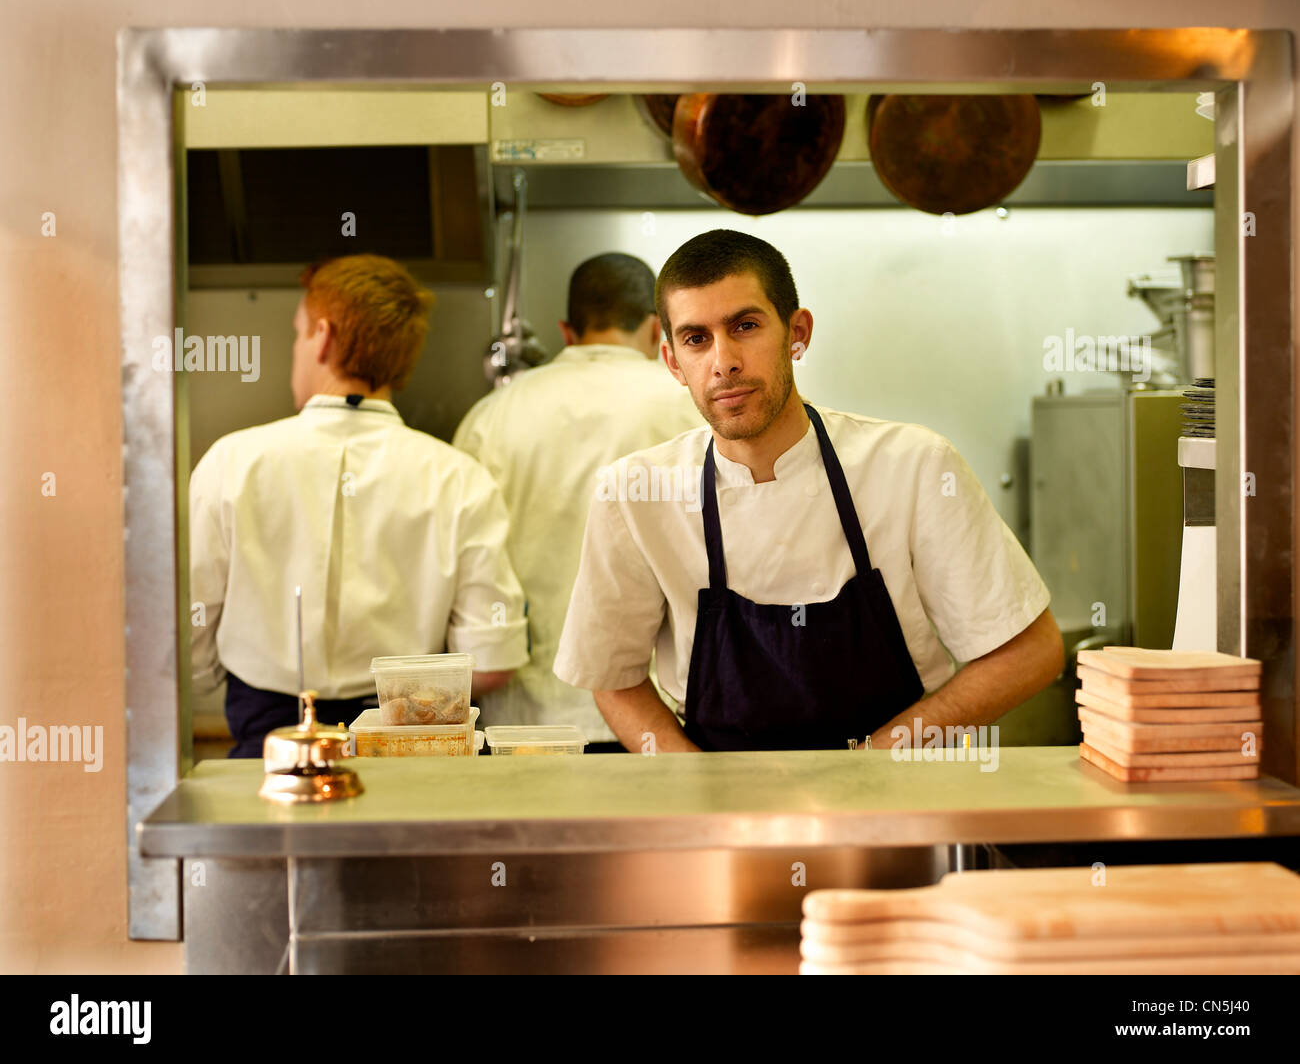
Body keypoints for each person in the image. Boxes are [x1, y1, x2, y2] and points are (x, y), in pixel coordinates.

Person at [553, 230, 1063, 752]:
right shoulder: (636, 494)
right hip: (721, 815)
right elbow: (612, 677)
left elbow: (1030, 651)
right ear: (672, 361)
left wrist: (879, 761)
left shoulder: (913, 468)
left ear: (797, 332)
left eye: (745, 326)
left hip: (897, 806)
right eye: (696, 339)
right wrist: (694, 789)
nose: (723, 361)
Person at [191, 253, 528, 757]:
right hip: (407, 748)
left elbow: (191, 637)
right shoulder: (459, 478)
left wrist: (217, 676)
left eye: (297, 333)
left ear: (322, 337)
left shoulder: (232, 462)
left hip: (271, 749)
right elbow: (493, 658)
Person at [453, 253, 702, 751]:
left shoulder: (491, 417)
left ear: (568, 331)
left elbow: (463, 570)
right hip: (660, 718)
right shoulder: (693, 406)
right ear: (658, 330)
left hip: (523, 723)